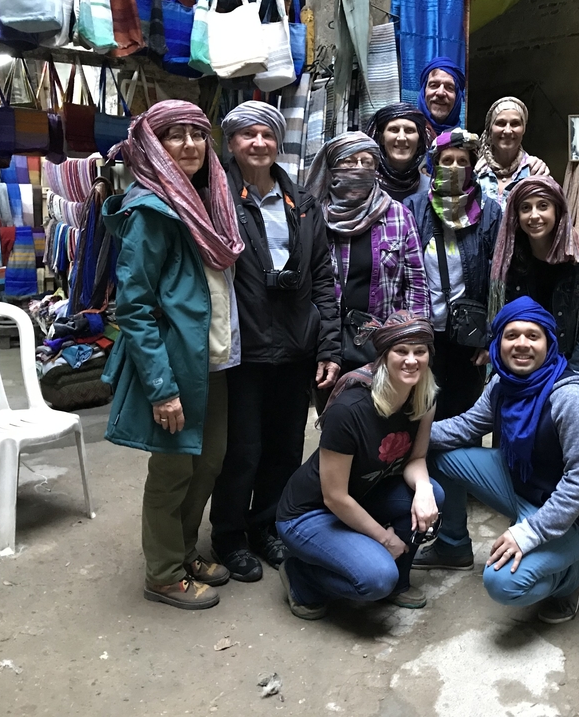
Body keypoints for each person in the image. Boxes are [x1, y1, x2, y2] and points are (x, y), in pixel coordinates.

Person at [101, 100, 244, 610]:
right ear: (154, 147)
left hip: (212, 361)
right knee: (172, 472)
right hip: (174, 367)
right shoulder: (152, 210)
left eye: (197, 134)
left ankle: (183, 552)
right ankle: (162, 573)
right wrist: (161, 388)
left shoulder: (205, 199)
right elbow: (134, 308)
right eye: (174, 135)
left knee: (209, 462)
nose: (189, 144)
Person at [207, 101, 341, 583]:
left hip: (296, 345)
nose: (259, 143)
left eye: (267, 135)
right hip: (243, 346)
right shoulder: (216, 196)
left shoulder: (302, 202)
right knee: (241, 448)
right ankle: (228, 535)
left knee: (285, 447)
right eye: (248, 136)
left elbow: (323, 278)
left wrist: (328, 346)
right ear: (231, 143)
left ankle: (266, 527)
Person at [414, 297, 579, 623]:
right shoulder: (503, 384)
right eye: (511, 335)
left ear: (549, 343)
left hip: (572, 517)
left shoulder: (571, 397)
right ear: (498, 342)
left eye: (533, 336)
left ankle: (570, 578)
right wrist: (405, 433)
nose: (522, 344)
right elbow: (466, 427)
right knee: (439, 452)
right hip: (519, 485)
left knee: (502, 583)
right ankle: (452, 545)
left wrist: (527, 533)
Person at [275, 312, 444, 619]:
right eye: (401, 351)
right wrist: (384, 537)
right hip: (310, 513)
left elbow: (416, 458)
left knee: (434, 496)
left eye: (420, 351)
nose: (411, 360)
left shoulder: (424, 397)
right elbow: (334, 497)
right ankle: (300, 574)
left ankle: (397, 583)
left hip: (362, 494)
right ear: (384, 356)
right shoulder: (350, 409)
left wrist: (424, 489)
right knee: (376, 579)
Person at [306, 132, 430, 378]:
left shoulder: (398, 215)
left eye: (367, 162)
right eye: (350, 162)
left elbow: (416, 284)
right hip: (324, 346)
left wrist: (413, 341)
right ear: (332, 168)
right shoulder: (314, 216)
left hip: (383, 346)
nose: (359, 169)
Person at [405, 128, 501, 420]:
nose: (455, 168)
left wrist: (490, 337)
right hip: (424, 334)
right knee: (419, 411)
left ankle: (460, 466)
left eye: (463, 161)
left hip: (468, 337)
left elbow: (499, 279)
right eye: (448, 160)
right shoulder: (414, 208)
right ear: (435, 165)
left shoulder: (489, 212)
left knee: (464, 412)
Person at [489, 176, 579, 372]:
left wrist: (572, 373)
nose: (534, 215)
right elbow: (500, 317)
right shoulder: (509, 256)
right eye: (525, 208)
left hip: (566, 361)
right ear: (516, 215)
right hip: (520, 361)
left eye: (543, 206)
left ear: (557, 210)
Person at [475, 96, 551, 211]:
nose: (508, 130)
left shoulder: (536, 172)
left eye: (515, 123)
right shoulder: (476, 172)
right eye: (500, 123)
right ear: (490, 129)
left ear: (523, 129)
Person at [366, 102, 436, 202]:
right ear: (381, 139)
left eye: (409, 130)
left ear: (420, 141)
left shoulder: (432, 189)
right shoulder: (366, 187)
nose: (402, 138)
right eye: (394, 130)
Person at [417, 57, 465, 135]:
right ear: (423, 92)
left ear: (457, 98)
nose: (440, 93)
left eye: (449, 87)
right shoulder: (406, 139)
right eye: (434, 85)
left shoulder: (467, 143)